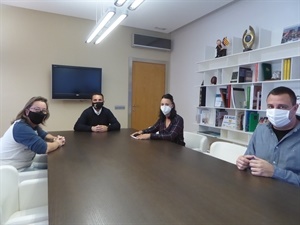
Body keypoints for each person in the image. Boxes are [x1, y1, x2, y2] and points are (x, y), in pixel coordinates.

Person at [236, 86, 300, 186]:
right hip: (258, 191)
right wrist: (242, 162)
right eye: (270, 106)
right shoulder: (261, 129)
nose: (275, 111)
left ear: (295, 108)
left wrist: (275, 172)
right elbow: (249, 159)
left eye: (282, 107)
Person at [0, 96, 66, 171]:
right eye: (37, 109)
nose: (40, 113)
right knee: (55, 172)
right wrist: (58, 143)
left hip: (22, 164)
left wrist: (54, 138)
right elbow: (44, 148)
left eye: (44, 111)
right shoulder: (22, 128)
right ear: (27, 111)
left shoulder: (30, 124)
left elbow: (44, 134)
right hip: (10, 171)